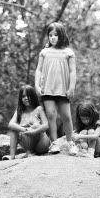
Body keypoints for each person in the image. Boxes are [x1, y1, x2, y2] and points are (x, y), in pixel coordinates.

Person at [35, 21, 78, 155]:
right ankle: (54, 143)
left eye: (55, 35)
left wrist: (71, 87)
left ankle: (71, 143)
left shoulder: (68, 52)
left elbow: (72, 71)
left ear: (61, 36)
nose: (52, 37)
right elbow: (39, 70)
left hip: (63, 90)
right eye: (50, 35)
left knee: (66, 116)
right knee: (51, 115)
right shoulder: (44, 52)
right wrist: (37, 85)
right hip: (47, 89)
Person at [3, 85, 51, 160]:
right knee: (13, 130)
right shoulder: (19, 111)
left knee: (36, 125)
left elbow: (46, 125)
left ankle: (31, 152)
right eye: (23, 96)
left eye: (29, 96)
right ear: (21, 99)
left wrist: (34, 131)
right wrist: (25, 130)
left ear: (33, 96)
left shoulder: (39, 109)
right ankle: (12, 156)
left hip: (41, 144)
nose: (26, 98)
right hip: (28, 143)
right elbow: (11, 124)